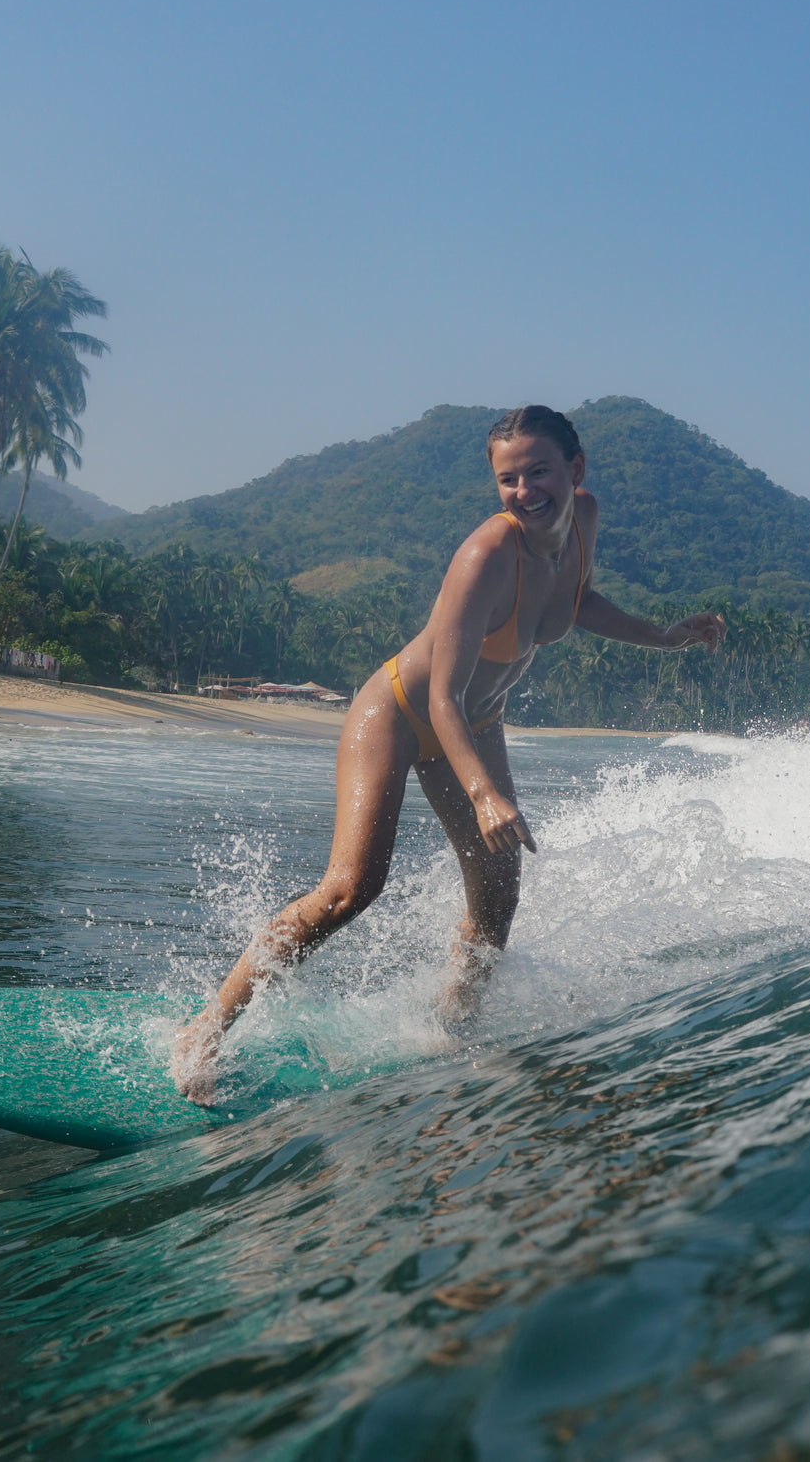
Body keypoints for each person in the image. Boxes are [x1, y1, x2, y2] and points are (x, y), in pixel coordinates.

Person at [173, 405, 724, 1100]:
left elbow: (575, 600)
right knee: (350, 889)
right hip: (403, 711)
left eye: (539, 472)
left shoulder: (583, 520)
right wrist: (486, 794)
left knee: (496, 902)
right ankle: (206, 1031)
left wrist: (664, 635)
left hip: (478, 718)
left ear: (575, 470)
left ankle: (449, 1028)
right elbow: (441, 698)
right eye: (508, 479)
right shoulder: (486, 556)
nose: (526, 491)